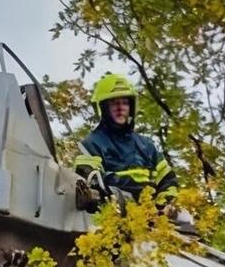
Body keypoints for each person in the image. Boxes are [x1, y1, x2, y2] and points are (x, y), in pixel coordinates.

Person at [75, 72, 177, 205]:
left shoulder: (147, 146)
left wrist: (164, 206)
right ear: (104, 108)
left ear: (131, 107)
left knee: (187, 222)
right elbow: (90, 185)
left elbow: (168, 181)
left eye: (125, 103)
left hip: (153, 218)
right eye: (114, 103)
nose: (120, 108)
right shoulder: (92, 144)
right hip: (112, 217)